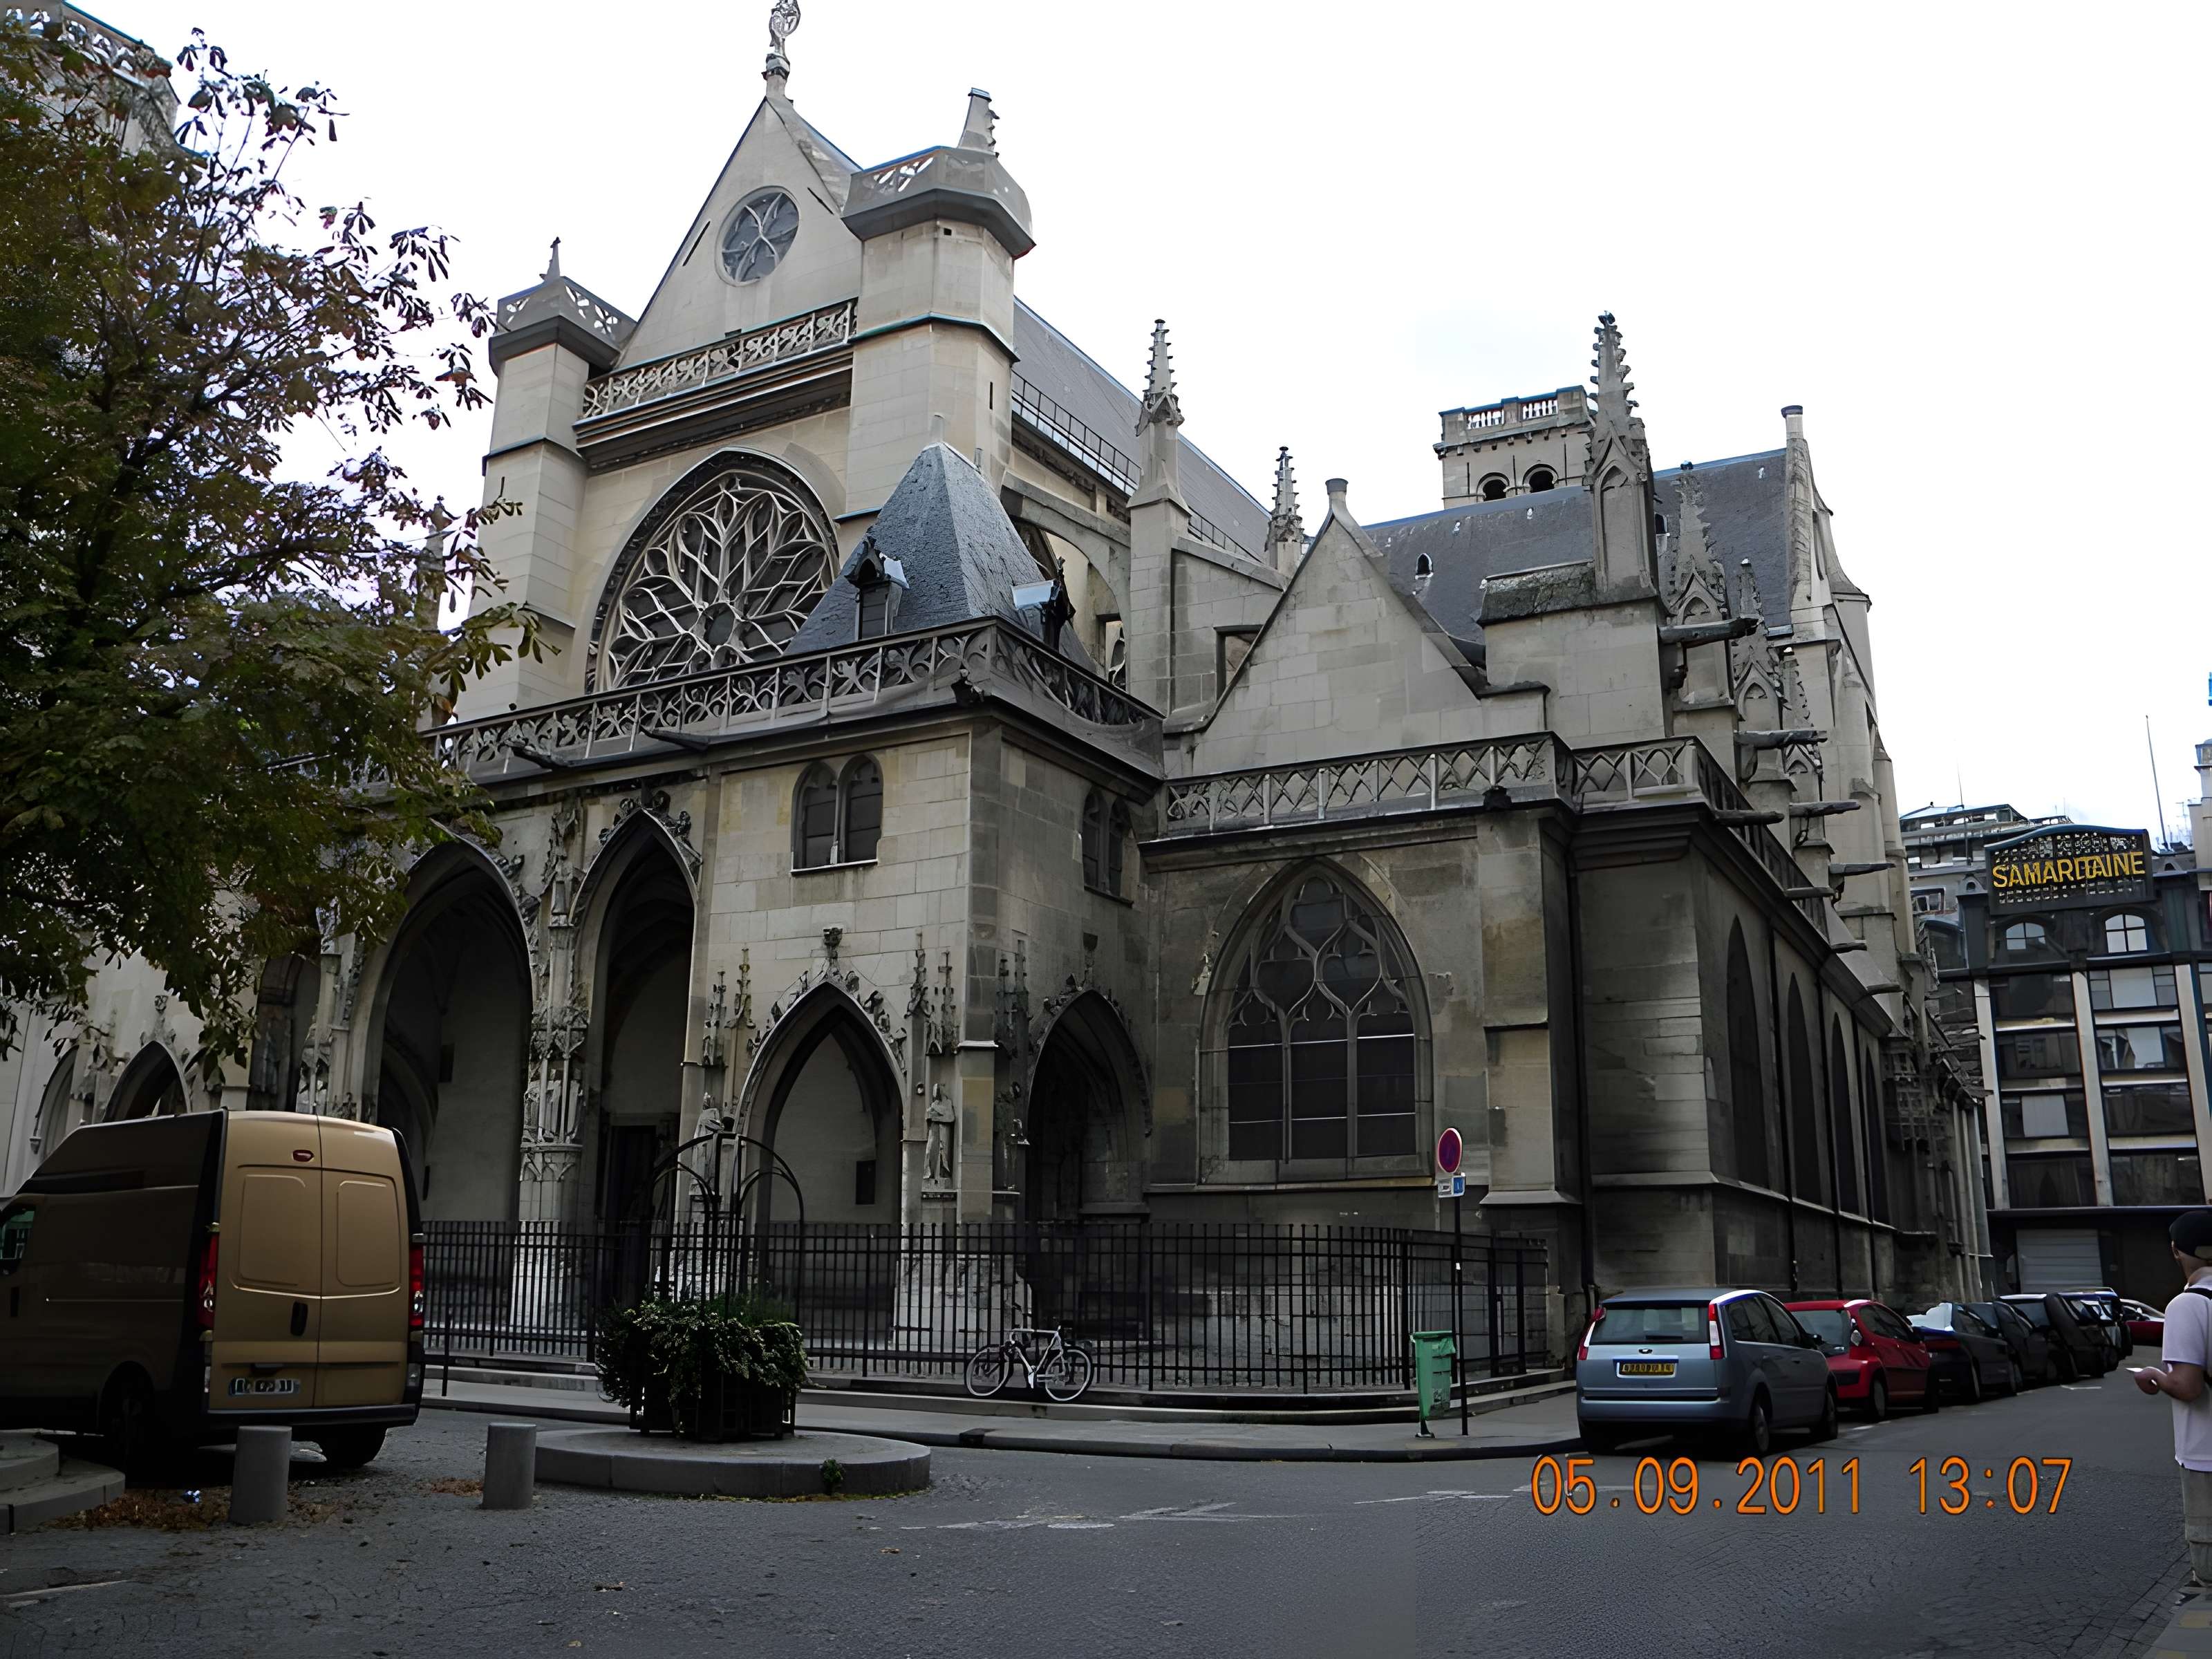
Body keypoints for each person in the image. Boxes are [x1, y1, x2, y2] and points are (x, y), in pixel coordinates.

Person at [2135, 1209, 2212, 1591]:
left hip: (2206, 1450)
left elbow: (2188, 1386)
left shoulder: (2188, 1305)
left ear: (2176, 1251)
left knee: (2209, 1557)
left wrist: (2154, 1377)